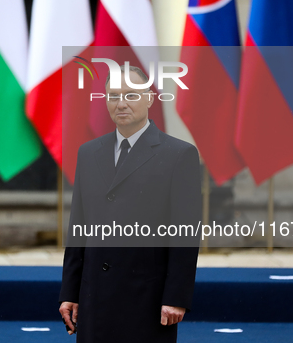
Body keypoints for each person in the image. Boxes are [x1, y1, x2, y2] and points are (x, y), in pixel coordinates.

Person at [59, 65, 201, 342]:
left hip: (146, 299)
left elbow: (185, 231)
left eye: (131, 95)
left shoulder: (179, 155)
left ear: (149, 98)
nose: (121, 103)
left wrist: (176, 297)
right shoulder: (88, 153)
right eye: (113, 96)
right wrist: (70, 292)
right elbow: (79, 227)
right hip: (94, 297)